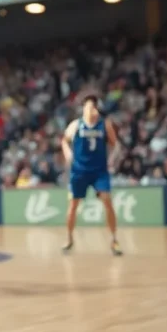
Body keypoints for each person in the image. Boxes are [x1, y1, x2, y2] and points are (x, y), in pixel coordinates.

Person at [60, 95, 122, 256]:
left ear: (96, 108)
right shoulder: (76, 125)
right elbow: (64, 140)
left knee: (107, 201)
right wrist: (67, 153)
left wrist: (111, 160)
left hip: (99, 171)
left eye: (92, 107)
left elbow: (116, 145)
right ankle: (69, 238)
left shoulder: (104, 125)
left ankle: (114, 239)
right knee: (73, 205)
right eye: (87, 107)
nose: (89, 110)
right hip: (79, 171)